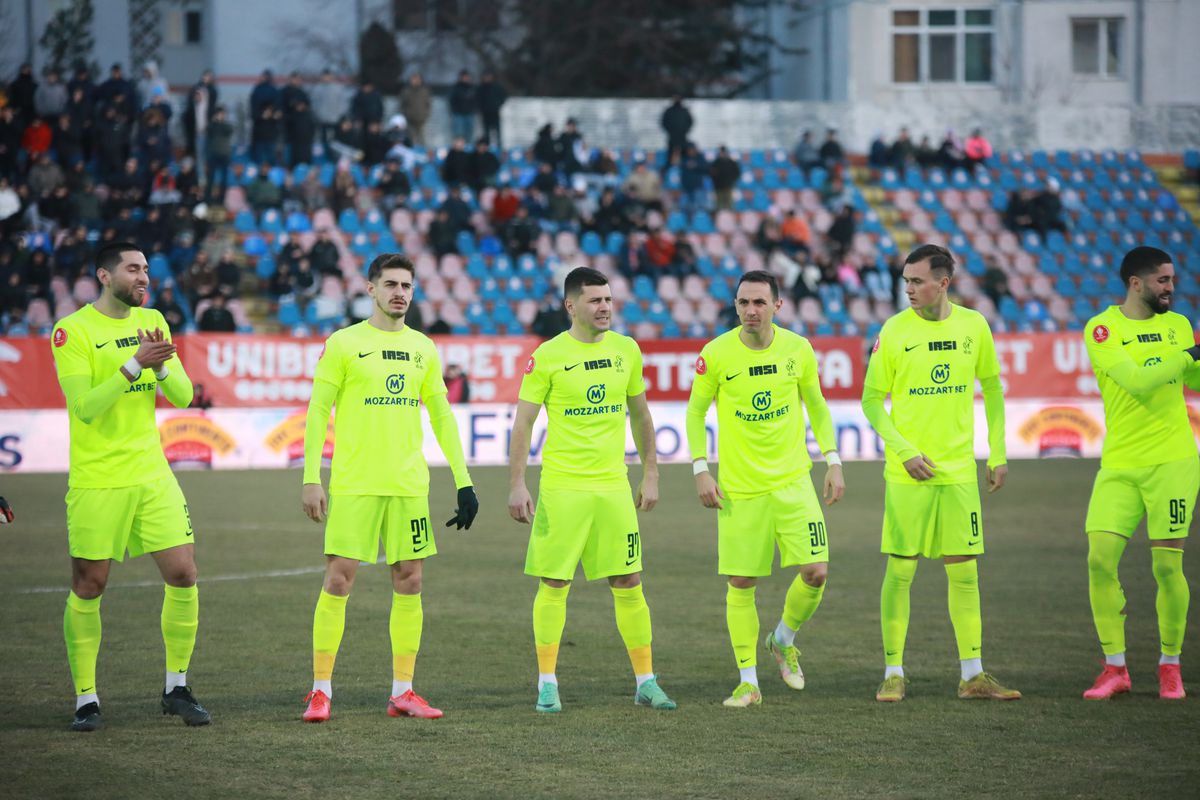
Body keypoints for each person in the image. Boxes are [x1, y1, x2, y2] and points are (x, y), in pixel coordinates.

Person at [299, 254, 479, 723]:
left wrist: (464, 482)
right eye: (391, 284)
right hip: (356, 483)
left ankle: (403, 691)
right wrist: (310, 478)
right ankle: (320, 691)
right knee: (339, 579)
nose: (400, 292)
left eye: (407, 286)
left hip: (408, 486)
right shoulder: (343, 343)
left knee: (411, 580)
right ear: (371, 289)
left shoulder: (423, 347)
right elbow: (318, 411)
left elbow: (440, 414)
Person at [50, 241, 208, 732]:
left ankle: (176, 688)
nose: (143, 277)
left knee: (184, 574)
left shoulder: (154, 320)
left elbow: (183, 395)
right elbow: (86, 408)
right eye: (133, 269)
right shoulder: (71, 331)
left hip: (152, 474)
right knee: (89, 585)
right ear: (104, 275)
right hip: (98, 480)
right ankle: (86, 699)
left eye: (146, 270)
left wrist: (160, 364)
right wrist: (135, 364)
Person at [507, 267, 676, 714]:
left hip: (613, 485)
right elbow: (523, 421)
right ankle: (547, 683)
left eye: (608, 299)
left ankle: (646, 681)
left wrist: (652, 473)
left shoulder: (627, 350)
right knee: (555, 581)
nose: (604, 307)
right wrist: (518, 483)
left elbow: (641, 415)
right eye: (595, 300)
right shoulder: (547, 355)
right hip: (562, 487)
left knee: (629, 579)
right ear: (571, 306)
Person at [861, 243, 1019, 703]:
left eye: (917, 281)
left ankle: (973, 675)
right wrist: (905, 450)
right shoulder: (893, 331)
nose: (908, 289)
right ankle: (893, 672)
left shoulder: (974, 326)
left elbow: (991, 388)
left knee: (964, 572)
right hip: (909, 473)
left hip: (958, 473)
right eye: (905, 281)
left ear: (943, 283)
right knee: (902, 570)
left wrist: (999, 452)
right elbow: (871, 401)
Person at [685, 270, 845, 707]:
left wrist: (833, 461)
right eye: (743, 303)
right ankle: (748, 682)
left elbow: (817, 406)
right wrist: (701, 469)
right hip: (740, 490)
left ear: (777, 305)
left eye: (759, 302)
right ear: (735, 307)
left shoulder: (798, 349)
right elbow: (696, 413)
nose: (750, 311)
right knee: (741, 582)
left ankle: (783, 639)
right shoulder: (716, 353)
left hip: (795, 484)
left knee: (816, 572)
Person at [1080, 246, 1199, 701]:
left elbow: (1192, 380)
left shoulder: (1177, 325)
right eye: (1162, 281)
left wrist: (1196, 361)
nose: (1171, 288)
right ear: (1136, 282)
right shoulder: (1103, 328)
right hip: (1120, 464)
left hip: (1173, 461)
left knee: (1167, 566)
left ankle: (1170, 666)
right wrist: (1191, 352)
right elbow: (1138, 380)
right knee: (1098, 561)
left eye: (1172, 279)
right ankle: (1115, 669)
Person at [400, 73, 432, 147]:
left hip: (421, 119)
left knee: (422, 139)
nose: (415, 81)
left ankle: (423, 154)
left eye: (417, 79)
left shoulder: (424, 91)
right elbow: (402, 105)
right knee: (411, 138)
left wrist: (425, 114)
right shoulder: (406, 91)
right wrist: (406, 114)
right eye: (414, 79)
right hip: (410, 119)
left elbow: (428, 104)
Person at [477, 70, 507, 148]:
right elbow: (477, 99)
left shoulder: (497, 87)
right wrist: (481, 108)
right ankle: (487, 147)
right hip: (485, 114)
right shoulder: (481, 88)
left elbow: (504, 96)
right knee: (486, 133)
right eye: (485, 76)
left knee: (498, 132)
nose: (487, 78)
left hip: (495, 112)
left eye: (488, 76)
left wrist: (498, 104)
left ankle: (499, 147)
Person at [660, 95, 693, 166]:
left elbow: (690, 122)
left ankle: (684, 169)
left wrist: (684, 130)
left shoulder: (685, 110)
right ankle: (669, 170)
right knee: (670, 155)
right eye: (675, 99)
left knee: (684, 155)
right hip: (672, 137)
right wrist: (670, 131)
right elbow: (664, 122)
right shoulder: (669, 111)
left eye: (678, 99)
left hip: (682, 137)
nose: (677, 100)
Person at [449, 70, 476, 144]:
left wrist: (474, 109)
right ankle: (459, 148)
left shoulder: (472, 88)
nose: (465, 78)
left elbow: (476, 100)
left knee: (469, 133)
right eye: (463, 77)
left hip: (469, 113)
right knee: (458, 133)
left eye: (466, 77)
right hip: (458, 114)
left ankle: (468, 147)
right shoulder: (456, 88)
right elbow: (451, 100)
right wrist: (454, 110)